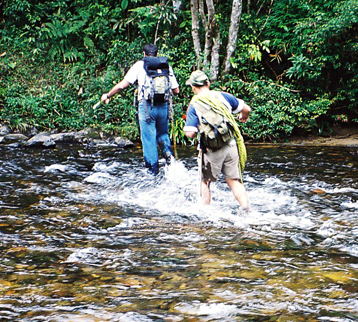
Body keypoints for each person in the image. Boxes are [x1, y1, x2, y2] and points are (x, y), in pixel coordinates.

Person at [98, 44, 180, 175]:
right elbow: (176, 90)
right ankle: (170, 159)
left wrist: (107, 95)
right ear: (157, 54)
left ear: (144, 54)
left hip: (147, 108)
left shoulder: (139, 65)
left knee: (149, 139)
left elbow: (122, 86)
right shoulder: (165, 66)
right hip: (163, 107)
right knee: (163, 134)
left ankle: (152, 172)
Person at [182, 70, 252, 210]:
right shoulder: (223, 96)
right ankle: (245, 209)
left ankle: (205, 214)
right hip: (230, 143)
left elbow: (191, 133)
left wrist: (186, 129)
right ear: (208, 83)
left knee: (205, 182)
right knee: (233, 181)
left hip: (211, 149)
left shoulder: (194, 104)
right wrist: (243, 117)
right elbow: (247, 109)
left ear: (193, 87)